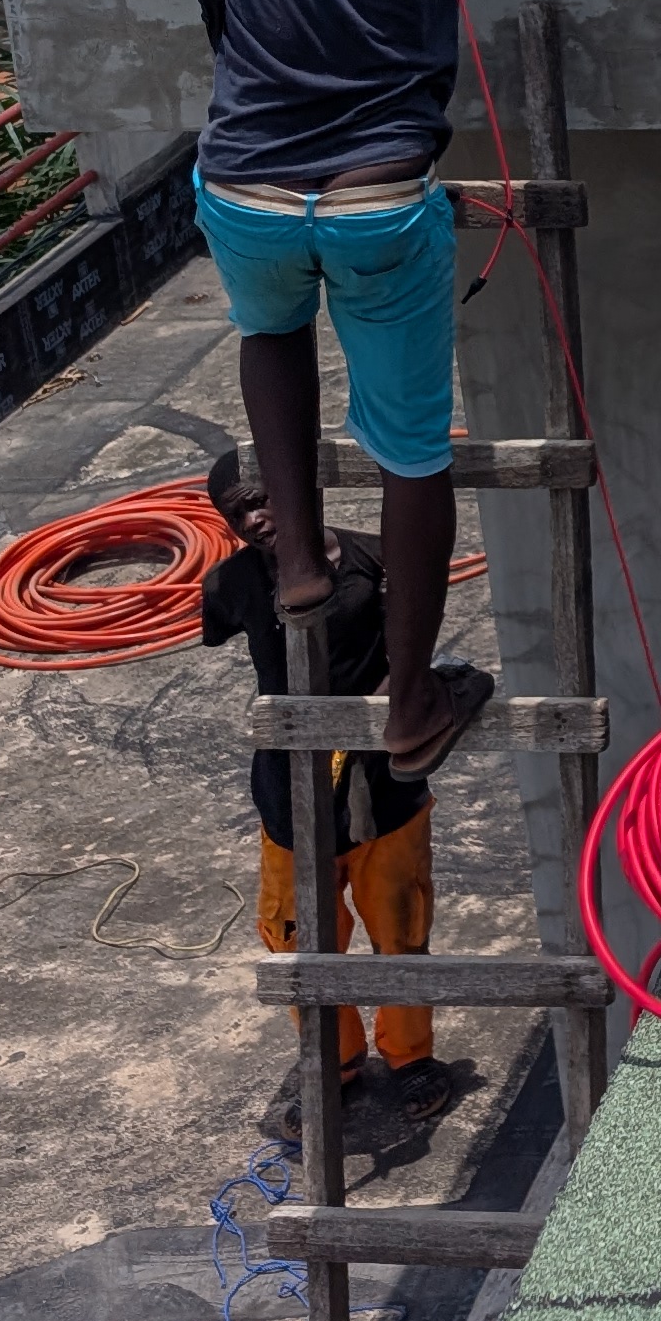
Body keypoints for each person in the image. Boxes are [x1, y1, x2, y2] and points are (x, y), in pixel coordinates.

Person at [176, 0, 567, 780]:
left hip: (242, 188)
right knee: (410, 455)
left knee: (269, 333)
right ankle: (410, 702)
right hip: (376, 201)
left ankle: (301, 561)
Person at [199, 444, 445, 1115]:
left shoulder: (377, 560)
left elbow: (416, 643)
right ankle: (333, 1061)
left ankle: (411, 1057)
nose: (253, 520)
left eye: (261, 500)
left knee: (399, 928)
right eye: (236, 514)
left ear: (297, 488)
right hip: (289, 799)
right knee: (298, 940)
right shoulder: (231, 586)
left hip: (384, 793)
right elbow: (217, 625)